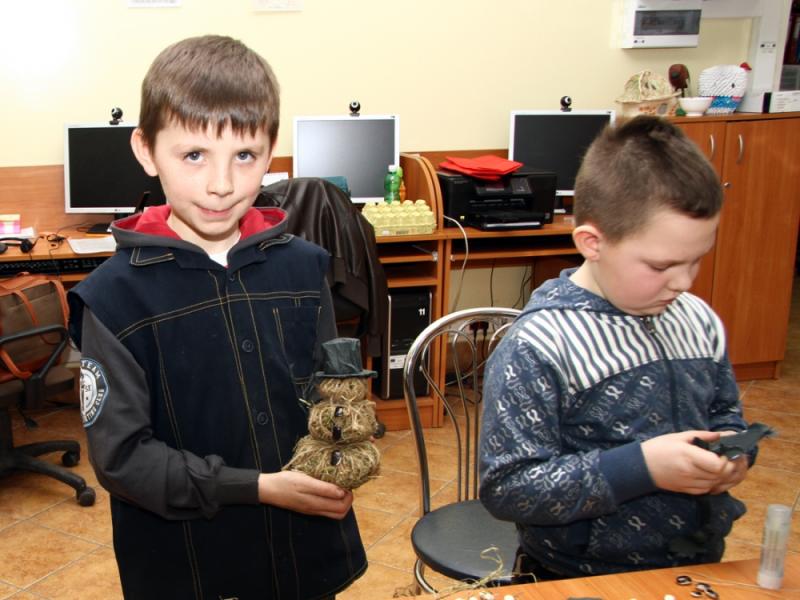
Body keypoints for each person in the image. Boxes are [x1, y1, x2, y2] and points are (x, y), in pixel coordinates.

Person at [68, 35, 366, 600]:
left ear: (271, 151)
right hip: (189, 569)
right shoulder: (112, 299)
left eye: (245, 156)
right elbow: (123, 460)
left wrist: (341, 441)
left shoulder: (306, 269)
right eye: (194, 156)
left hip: (303, 559)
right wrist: (258, 487)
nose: (222, 185)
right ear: (146, 150)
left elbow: (333, 389)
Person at [479, 115, 755, 580]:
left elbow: (725, 416)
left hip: (696, 562)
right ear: (592, 243)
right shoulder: (541, 344)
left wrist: (735, 454)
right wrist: (642, 468)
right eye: (661, 265)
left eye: (697, 260)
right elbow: (508, 489)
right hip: (578, 575)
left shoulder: (699, 319)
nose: (684, 283)